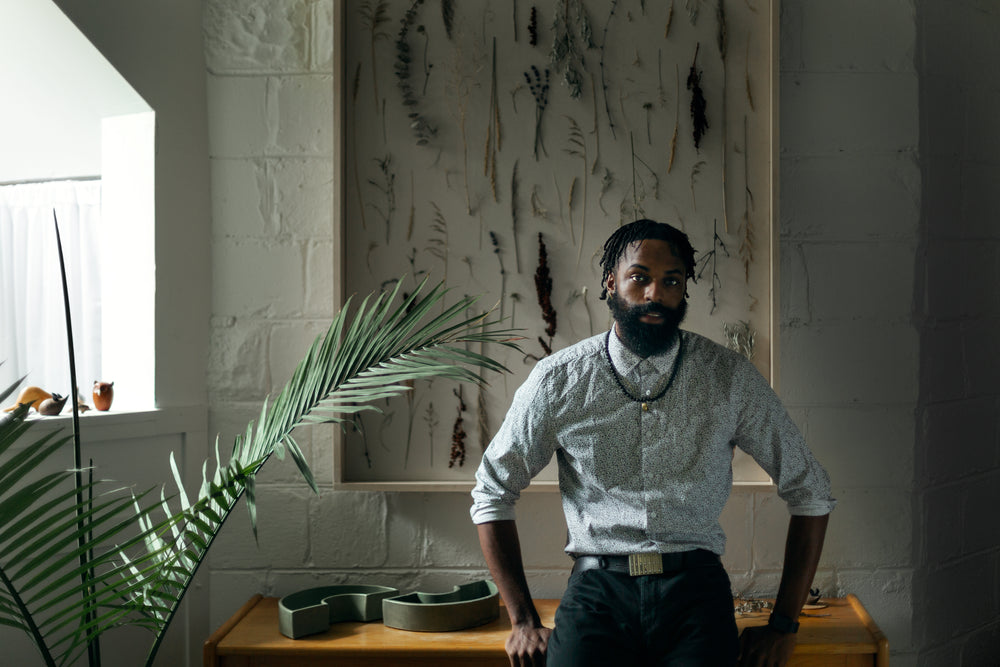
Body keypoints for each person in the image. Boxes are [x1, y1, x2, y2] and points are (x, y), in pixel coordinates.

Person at [470, 219, 835, 667]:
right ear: (611, 283)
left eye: (671, 281)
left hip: (696, 597)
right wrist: (522, 620)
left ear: (684, 290)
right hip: (596, 596)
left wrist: (783, 625)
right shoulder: (558, 380)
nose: (654, 294)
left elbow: (810, 490)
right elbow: (492, 492)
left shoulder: (729, 378)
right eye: (639, 277)